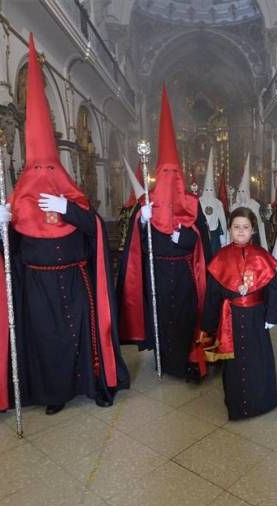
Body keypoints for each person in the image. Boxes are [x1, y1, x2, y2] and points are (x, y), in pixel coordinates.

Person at [0, 34, 129, 416]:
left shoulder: (73, 199)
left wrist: (69, 208)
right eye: (38, 168)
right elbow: (7, 252)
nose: (45, 174)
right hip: (36, 285)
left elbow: (94, 230)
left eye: (52, 167)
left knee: (85, 333)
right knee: (47, 340)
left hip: (75, 279)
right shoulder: (17, 203)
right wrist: (0, 225)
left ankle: (93, 382)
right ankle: (53, 393)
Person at [117, 84, 212, 381]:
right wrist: (141, 222)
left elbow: (203, 242)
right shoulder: (146, 203)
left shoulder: (192, 204)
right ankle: (162, 357)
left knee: (184, 318)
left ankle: (185, 357)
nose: (170, 180)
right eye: (165, 173)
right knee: (160, 318)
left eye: (175, 174)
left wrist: (183, 238)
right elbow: (136, 249)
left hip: (183, 274)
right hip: (156, 273)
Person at [201, 207, 277, 420]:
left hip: (256, 317)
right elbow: (213, 292)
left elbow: (273, 286)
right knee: (233, 363)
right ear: (229, 229)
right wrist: (209, 322)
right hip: (231, 318)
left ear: (253, 230)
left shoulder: (262, 255)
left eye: (245, 227)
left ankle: (262, 401)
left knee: (259, 359)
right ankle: (236, 403)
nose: (241, 231)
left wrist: (271, 316)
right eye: (236, 227)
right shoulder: (221, 256)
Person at [231, 154, 268, 249]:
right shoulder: (234, 206)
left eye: (244, 191)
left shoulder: (254, 205)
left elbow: (258, 223)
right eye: (240, 191)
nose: (242, 194)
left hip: (252, 238)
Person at [199, 147, 229, 255]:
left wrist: (224, 236)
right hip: (202, 233)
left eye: (210, 189)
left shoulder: (217, 203)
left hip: (215, 233)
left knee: (215, 254)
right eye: (207, 189)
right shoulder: (199, 201)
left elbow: (223, 221)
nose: (208, 192)